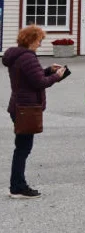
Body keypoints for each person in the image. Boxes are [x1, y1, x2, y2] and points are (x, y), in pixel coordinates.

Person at [5, 25, 67, 198]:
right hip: (26, 108)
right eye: (39, 41)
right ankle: (17, 186)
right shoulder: (28, 58)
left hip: (18, 105)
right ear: (31, 40)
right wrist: (57, 76)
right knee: (23, 148)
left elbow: (31, 77)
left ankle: (17, 184)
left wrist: (48, 70)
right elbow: (39, 82)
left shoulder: (18, 55)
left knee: (21, 147)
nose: (40, 44)